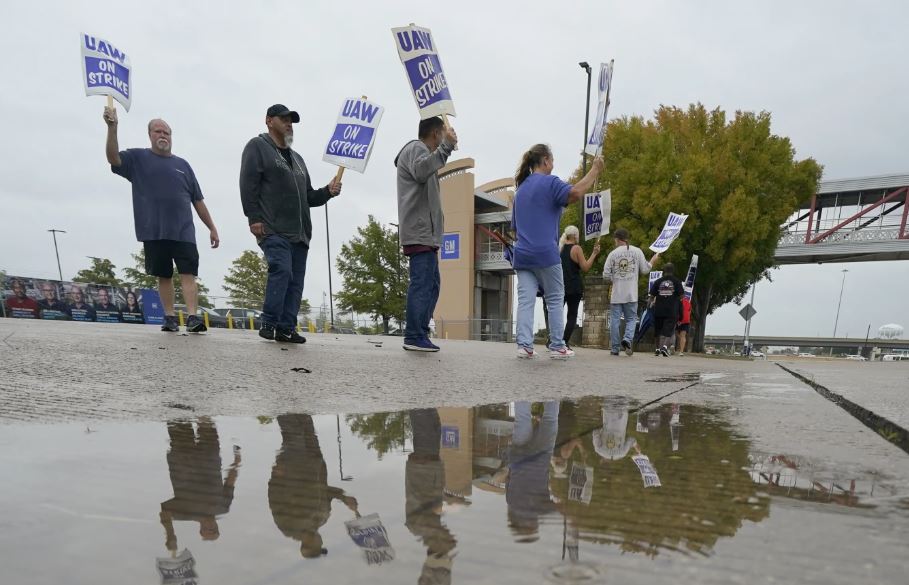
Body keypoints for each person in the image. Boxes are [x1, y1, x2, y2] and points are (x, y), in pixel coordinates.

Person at [104, 106, 220, 334]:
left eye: (166, 132)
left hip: (184, 232)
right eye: (158, 131)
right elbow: (113, 158)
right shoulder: (137, 158)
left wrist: (212, 227)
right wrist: (112, 128)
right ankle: (169, 317)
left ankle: (193, 317)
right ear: (150, 135)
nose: (163, 135)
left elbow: (198, 200)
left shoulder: (183, 166)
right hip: (154, 230)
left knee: (188, 273)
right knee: (164, 275)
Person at [240, 104, 341, 344]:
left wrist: (328, 191)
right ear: (268, 121)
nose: (289, 124)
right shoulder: (258, 147)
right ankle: (270, 321)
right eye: (283, 119)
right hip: (272, 228)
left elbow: (308, 197)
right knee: (281, 270)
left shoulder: (298, 160)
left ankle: (286, 327)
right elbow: (248, 183)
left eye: (291, 121)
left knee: (296, 281)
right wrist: (253, 217)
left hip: (300, 233)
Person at [511, 144, 603, 359]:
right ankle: (558, 346)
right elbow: (575, 193)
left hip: (522, 254)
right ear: (545, 160)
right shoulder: (550, 182)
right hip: (545, 253)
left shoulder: (520, 190)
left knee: (526, 301)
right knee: (554, 298)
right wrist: (595, 169)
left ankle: (524, 346)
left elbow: (515, 229)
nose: (553, 165)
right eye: (552, 160)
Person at [395, 116, 458, 352]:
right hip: (420, 230)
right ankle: (414, 334)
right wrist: (447, 147)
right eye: (444, 132)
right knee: (423, 283)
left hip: (426, 233)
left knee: (431, 283)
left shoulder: (423, 153)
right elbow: (422, 171)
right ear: (435, 133)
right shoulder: (416, 149)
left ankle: (419, 331)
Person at [268, 414, 358, 558]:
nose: (321, 541)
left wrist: (276, 475)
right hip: (315, 462)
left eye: (319, 545)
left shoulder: (287, 527)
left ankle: (283, 399)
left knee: (294, 434)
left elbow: (274, 500)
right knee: (306, 425)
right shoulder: (322, 519)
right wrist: (344, 498)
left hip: (293, 468)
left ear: (311, 544)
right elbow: (326, 492)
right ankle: (298, 397)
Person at [159, 418, 241, 553]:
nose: (211, 527)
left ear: (200, 529)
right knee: (205, 418)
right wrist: (237, 462)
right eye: (214, 530)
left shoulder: (186, 514)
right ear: (217, 526)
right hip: (209, 456)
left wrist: (170, 534)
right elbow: (230, 482)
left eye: (208, 530)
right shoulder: (223, 507)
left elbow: (164, 512)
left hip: (182, 458)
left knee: (177, 416)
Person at [602, 228, 659, 356]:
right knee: (631, 319)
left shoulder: (612, 254)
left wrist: (614, 279)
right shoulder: (637, 251)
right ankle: (627, 339)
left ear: (616, 239)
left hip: (617, 294)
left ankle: (615, 348)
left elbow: (605, 275)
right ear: (627, 238)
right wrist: (652, 261)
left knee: (615, 321)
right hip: (631, 293)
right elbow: (644, 270)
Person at [558, 225, 601, 349]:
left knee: (556, 313)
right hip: (574, 286)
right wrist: (594, 254)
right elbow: (585, 267)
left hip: (560, 286)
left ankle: (553, 338)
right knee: (571, 315)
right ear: (575, 236)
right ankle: (564, 342)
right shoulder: (576, 248)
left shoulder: (560, 248)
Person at [649, 263, 684, 356]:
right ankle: (664, 347)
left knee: (658, 330)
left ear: (664, 270)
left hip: (659, 309)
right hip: (671, 310)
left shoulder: (658, 281)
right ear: (673, 271)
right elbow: (682, 296)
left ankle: (657, 349)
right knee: (668, 330)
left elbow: (651, 296)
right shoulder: (677, 282)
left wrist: (649, 305)